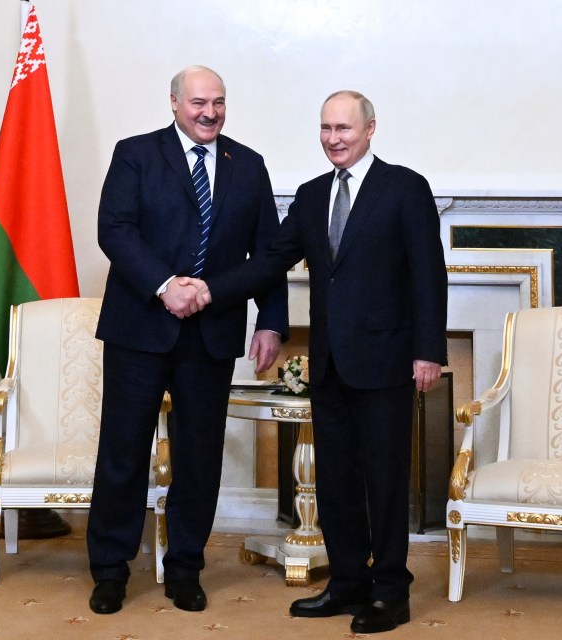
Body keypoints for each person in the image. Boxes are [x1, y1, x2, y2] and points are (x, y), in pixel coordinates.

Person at [184, 90, 448, 634]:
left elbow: (428, 274)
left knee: (385, 480)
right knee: (337, 482)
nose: (334, 139)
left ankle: (391, 591)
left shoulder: (405, 188)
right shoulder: (308, 196)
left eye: (344, 129)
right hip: (328, 365)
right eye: (326, 129)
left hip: (388, 362)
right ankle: (348, 583)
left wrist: (430, 352)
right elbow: (269, 264)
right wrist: (209, 287)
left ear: (370, 129)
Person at [86, 65, 288, 615]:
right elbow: (115, 230)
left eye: (219, 102)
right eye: (199, 102)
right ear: (174, 103)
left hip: (211, 334)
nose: (210, 113)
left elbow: (269, 252)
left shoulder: (247, 165)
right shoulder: (136, 154)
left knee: (200, 458)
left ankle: (185, 568)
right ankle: (110, 569)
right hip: (139, 329)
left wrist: (270, 320)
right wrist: (164, 286)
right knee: (124, 452)